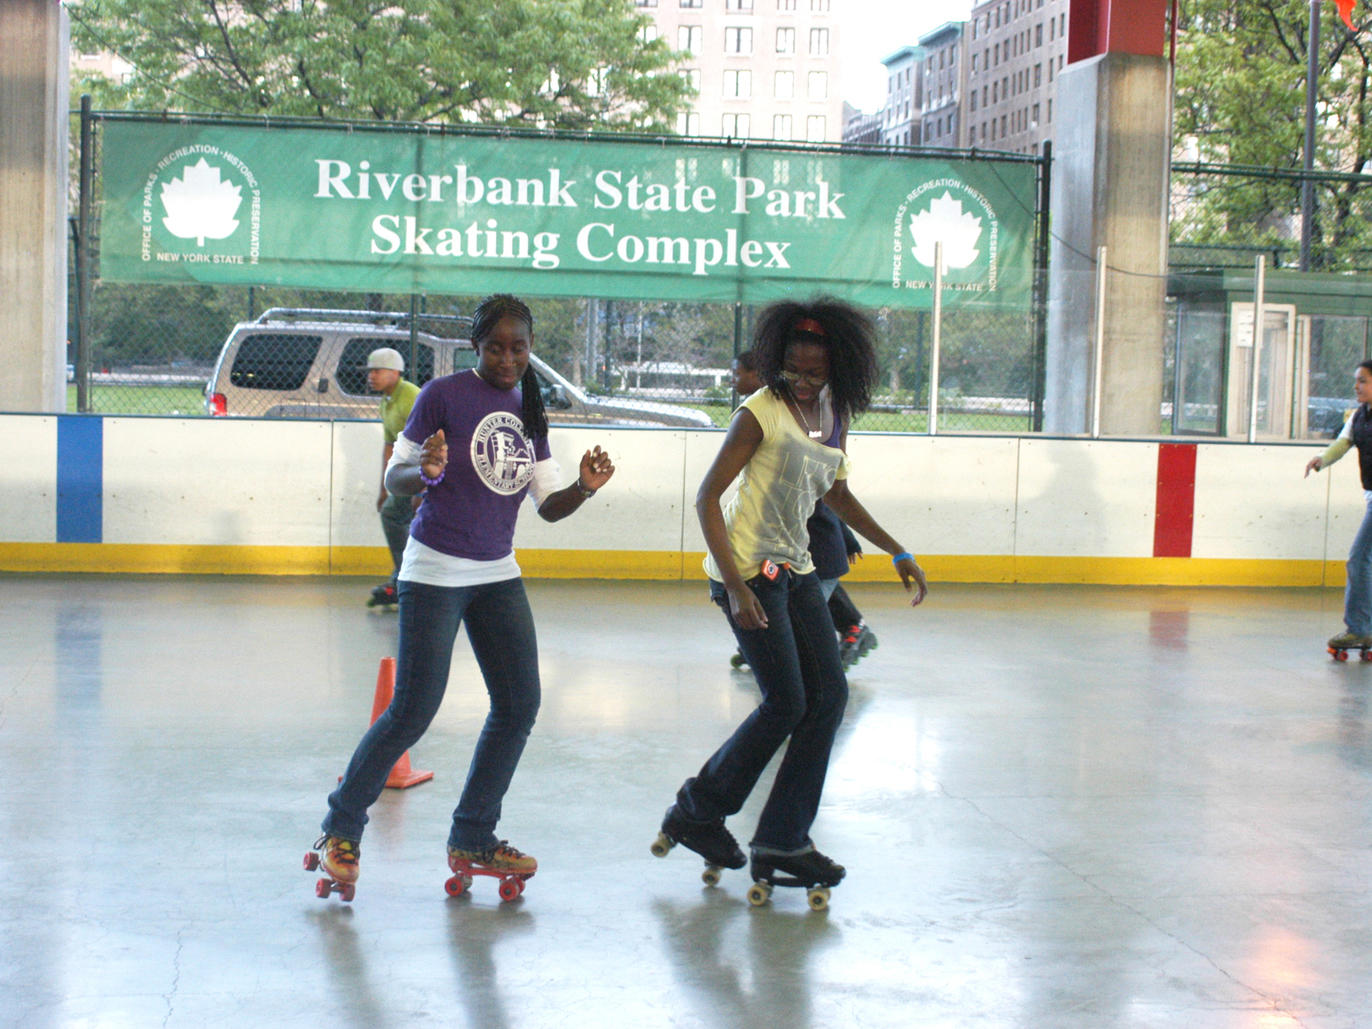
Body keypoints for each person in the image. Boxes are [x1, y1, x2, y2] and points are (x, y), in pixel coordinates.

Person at [311, 294, 616, 894]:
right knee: (413, 709)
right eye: (496, 347)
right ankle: (340, 827)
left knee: (519, 704)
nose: (508, 359)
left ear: (531, 350)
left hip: (496, 571)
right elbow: (394, 477)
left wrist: (584, 487)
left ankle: (474, 834)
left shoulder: (530, 407)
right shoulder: (442, 396)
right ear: (477, 346)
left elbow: (548, 508)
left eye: (519, 348)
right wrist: (424, 467)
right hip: (434, 570)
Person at [656, 297, 928, 892]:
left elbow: (835, 493)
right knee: (786, 702)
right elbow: (706, 499)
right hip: (746, 568)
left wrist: (896, 549)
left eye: (816, 373)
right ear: (779, 363)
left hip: (796, 566)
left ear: (839, 368)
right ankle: (699, 811)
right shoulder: (760, 411)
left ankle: (783, 836)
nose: (804, 383)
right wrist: (733, 588)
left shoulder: (835, 412)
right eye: (794, 372)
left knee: (828, 696)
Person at [727, 351, 879, 672]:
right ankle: (766, 645)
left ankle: (848, 630)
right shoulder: (766, 414)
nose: (733, 379)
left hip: (816, 546)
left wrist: (848, 538)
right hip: (793, 546)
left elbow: (828, 495)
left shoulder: (801, 419)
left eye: (738, 373)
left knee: (804, 604)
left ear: (759, 375)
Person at [1305, 359, 1372, 651]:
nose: (1356, 386)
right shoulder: (1359, 416)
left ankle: (1358, 629)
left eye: (1363, 381)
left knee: (1358, 560)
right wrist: (1322, 460)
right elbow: (1343, 443)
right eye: (1357, 380)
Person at [365, 347, 421, 608]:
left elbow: (432, 439)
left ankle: (405, 580)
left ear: (395, 372)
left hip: (422, 472)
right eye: (370, 371)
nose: (371, 375)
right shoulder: (386, 402)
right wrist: (383, 488)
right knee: (396, 516)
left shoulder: (411, 396)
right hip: (405, 474)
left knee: (393, 515)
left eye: (377, 370)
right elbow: (389, 446)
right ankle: (404, 578)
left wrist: (424, 489)